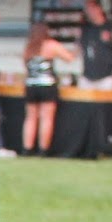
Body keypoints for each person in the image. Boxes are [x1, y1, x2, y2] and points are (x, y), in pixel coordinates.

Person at [23, 20, 76, 154]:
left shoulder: (29, 47)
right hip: (47, 85)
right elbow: (69, 58)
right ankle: (43, 149)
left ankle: (27, 148)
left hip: (31, 85)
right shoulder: (51, 45)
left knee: (30, 117)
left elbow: (26, 65)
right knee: (46, 118)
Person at [78, 0, 112, 90]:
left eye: (91, 8)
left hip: (106, 78)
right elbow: (78, 49)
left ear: (99, 8)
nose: (88, 11)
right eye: (87, 8)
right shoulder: (85, 29)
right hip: (87, 77)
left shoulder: (111, 28)